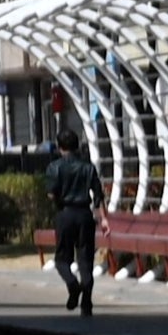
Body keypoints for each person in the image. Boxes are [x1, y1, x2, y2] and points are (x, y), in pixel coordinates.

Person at [44, 127, 103, 317]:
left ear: (59, 147)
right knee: (86, 261)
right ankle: (87, 303)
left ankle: (72, 284)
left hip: (65, 213)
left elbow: (51, 194)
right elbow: (99, 195)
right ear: (77, 146)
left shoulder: (54, 167)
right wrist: (104, 219)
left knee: (62, 259)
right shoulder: (88, 167)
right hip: (85, 215)